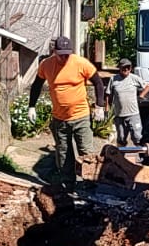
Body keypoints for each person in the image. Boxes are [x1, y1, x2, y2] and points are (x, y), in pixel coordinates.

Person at [29, 35, 106, 184]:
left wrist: (99, 106)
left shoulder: (80, 63)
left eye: (67, 54)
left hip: (81, 116)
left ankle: (89, 185)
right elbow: (37, 84)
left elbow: (98, 83)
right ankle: (68, 185)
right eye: (61, 54)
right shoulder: (46, 65)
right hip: (60, 119)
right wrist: (31, 106)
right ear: (54, 51)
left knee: (86, 152)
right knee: (63, 154)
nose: (64, 57)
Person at [108, 58, 149, 148]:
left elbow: (147, 86)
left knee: (137, 137)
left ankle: (141, 158)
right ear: (119, 68)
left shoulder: (134, 78)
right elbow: (108, 94)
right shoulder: (114, 79)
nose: (126, 69)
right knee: (121, 138)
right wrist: (106, 108)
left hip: (133, 114)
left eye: (128, 67)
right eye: (124, 67)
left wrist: (142, 95)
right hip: (119, 115)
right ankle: (120, 159)